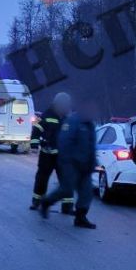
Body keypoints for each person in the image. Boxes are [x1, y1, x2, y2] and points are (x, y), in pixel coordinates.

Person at [39, 99, 99, 228]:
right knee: (66, 189)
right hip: (71, 164)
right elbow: (64, 142)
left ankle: (81, 217)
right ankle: (46, 202)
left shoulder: (90, 125)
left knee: (87, 192)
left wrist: (93, 162)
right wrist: (68, 161)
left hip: (86, 165)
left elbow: (91, 146)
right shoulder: (73, 121)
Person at [30, 92, 75, 214]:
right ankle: (37, 202)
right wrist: (34, 144)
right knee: (42, 179)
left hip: (63, 156)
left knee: (66, 181)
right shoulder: (47, 115)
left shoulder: (69, 118)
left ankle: (68, 206)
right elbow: (37, 130)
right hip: (47, 154)